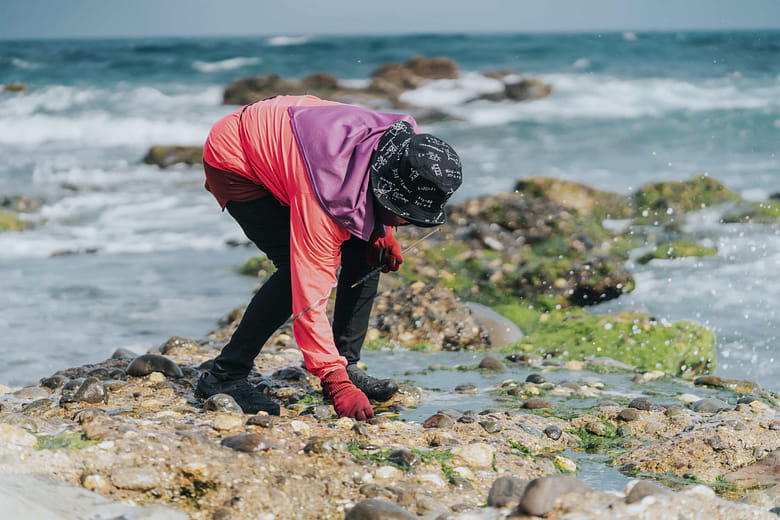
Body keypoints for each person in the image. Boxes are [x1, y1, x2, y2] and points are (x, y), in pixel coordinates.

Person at [195, 95, 462, 420]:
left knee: (367, 250)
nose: (408, 223)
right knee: (292, 272)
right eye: (406, 216)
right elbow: (309, 298)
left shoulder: (408, 146)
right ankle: (225, 375)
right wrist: (334, 383)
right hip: (238, 156)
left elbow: (369, 181)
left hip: (302, 139)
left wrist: (382, 230)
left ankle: (347, 362)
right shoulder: (321, 195)